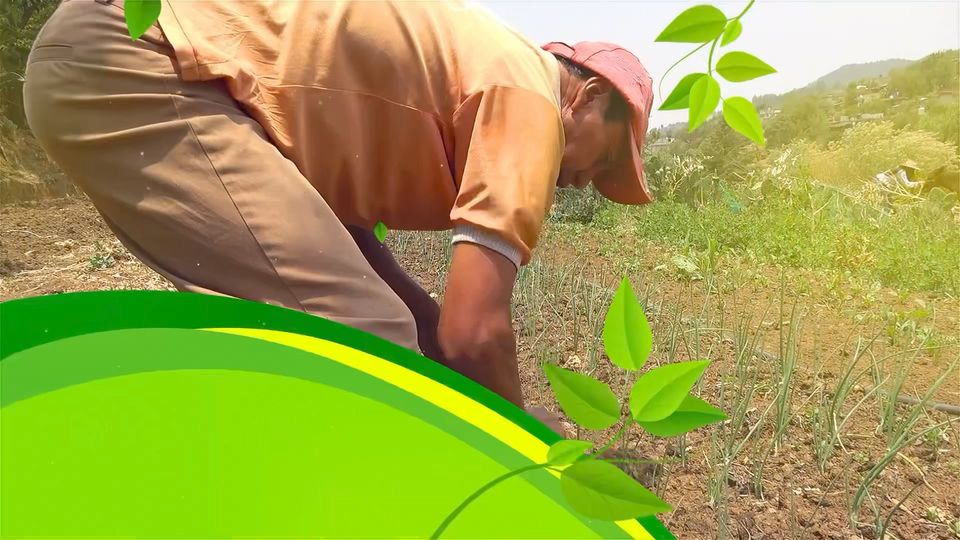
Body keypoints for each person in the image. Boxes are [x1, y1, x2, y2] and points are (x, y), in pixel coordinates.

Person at [23, 0, 654, 432]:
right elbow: (476, 333)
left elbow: (345, 243)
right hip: (142, 64)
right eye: (606, 164)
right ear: (588, 97)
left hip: (114, 52)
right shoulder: (532, 102)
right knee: (368, 345)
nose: (588, 184)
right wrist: (525, 443)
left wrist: (424, 328)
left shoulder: (487, 67)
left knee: (378, 328)